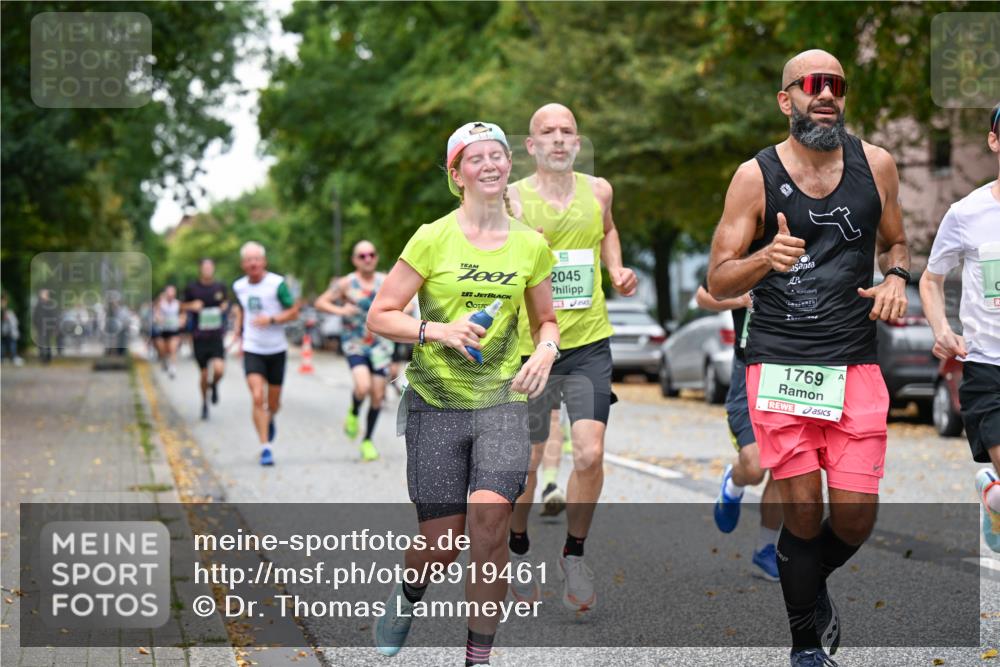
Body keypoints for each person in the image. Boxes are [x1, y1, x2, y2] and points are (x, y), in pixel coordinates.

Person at [707, 50, 909, 667]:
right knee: (800, 508)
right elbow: (719, 278)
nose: (825, 95)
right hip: (781, 361)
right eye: (811, 85)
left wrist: (897, 274)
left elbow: (895, 239)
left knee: (854, 519)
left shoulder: (877, 165)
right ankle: (805, 644)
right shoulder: (755, 176)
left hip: (853, 363)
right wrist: (765, 259)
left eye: (836, 86)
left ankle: (807, 580)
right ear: (785, 99)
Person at [367, 121, 558, 665]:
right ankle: (408, 594)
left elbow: (547, 320)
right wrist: (437, 331)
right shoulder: (432, 237)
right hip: (438, 405)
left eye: (499, 155)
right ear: (457, 174)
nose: (492, 164)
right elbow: (380, 314)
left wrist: (545, 352)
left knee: (490, 525)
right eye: (477, 158)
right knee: (443, 543)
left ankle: (478, 657)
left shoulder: (530, 246)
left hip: (503, 404)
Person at [504, 103, 638, 611]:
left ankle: (574, 554)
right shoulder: (512, 198)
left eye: (567, 132)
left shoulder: (599, 190)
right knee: (528, 463)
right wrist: (523, 248)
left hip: (587, 343)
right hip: (530, 347)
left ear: (577, 144)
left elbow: (607, 231)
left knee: (589, 453)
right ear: (531, 147)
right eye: (547, 132)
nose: (559, 139)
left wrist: (618, 269)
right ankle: (518, 546)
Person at [919, 102, 1000, 553]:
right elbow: (931, 280)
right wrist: (941, 330)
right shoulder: (966, 213)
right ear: (994, 141)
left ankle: (993, 493)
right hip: (988, 368)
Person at [696, 281, 782, 581]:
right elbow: (703, 295)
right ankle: (733, 485)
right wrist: (741, 299)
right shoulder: (746, 251)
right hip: (747, 377)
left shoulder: (812, 249)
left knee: (784, 470)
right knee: (757, 466)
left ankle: (765, 550)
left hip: (791, 378)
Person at [315, 240, 394, 462]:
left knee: (378, 395)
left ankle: (367, 440)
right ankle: (354, 412)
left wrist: (397, 312)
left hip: (381, 344)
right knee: (363, 386)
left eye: (371, 254)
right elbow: (321, 302)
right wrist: (340, 310)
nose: (368, 259)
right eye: (362, 256)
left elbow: (405, 303)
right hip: (355, 342)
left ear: (376, 257)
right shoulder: (346, 283)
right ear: (354, 260)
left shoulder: (386, 281)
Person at [231, 242, 299, 466]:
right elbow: (242, 309)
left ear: (264, 262)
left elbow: (293, 312)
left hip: (276, 349)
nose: (253, 263)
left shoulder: (277, 284)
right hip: (253, 348)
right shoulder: (239, 286)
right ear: (243, 264)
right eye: (248, 260)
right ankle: (265, 447)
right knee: (257, 396)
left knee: (274, 403)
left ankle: (270, 419)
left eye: (256, 259)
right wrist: (237, 332)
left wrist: (271, 319)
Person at [183, 259, 229, 420]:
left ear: (213, 269)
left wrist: (225, 307)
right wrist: (191, 306)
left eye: (210, 267)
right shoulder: (192, 288)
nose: (208, 270)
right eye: (205, 267)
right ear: (200, 269)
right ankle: (204, 403)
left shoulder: (220, 287)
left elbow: (226, 304)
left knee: (219, 370)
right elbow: (181, 306)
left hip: (216, 335)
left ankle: (214, 384)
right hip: (199, 337)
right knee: (203, 374)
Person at [154, 285, 182, 378]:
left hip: (174, 330)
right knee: (163, 350)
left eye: (172, 292)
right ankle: (164, 361)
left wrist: (182, 321)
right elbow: (156, 314)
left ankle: (173, 368)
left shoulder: (178, 303)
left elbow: (182, 314)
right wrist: (159, 318)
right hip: (163, 330)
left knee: (173, 348)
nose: (170, 295)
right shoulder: (161, 303)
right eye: (169, 293)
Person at [32, 288, 60, 364]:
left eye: (43, 294)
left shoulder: (51, 304)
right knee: (41, 342)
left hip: (48, 328)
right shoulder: (38, 304)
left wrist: (55, 327)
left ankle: (47, 358)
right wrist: (35, 325)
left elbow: (55, 316)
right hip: (40, 327)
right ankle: (43, 358)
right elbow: (35, 316)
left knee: (47, 343)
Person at [1, 293, 23, 366]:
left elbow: (12, 319)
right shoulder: (3, 308)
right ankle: (7, 357)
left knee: (9, 343)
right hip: (5, 329)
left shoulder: (7, 308)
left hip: (9, 329)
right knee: (7, 344)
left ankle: (9, 357)